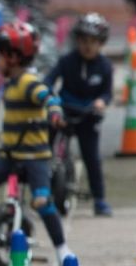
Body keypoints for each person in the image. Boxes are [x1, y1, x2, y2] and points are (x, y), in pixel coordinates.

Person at [0, 21, 72, 266]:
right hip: (10, 156)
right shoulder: (11, 83)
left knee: (42, 201)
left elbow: (49, 96)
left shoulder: (28, 82)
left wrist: (54, 113)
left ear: (13, 57)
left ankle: (63, 251)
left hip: (35, 158)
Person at [44, 13, 114, 217]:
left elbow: (107, 92)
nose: (87, 46)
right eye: (83, 41)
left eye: (93, 42)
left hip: (89, 115)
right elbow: (49, 80)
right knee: (46, 149)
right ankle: (43, 191)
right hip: (65, 109)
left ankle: (99, 199)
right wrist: (46, 95)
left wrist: (102, 101)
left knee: (91, 157)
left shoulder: (105, 66)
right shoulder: (67, 61)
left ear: (101, 44)